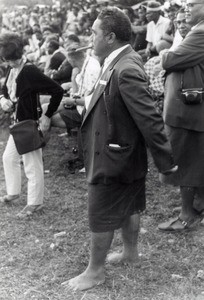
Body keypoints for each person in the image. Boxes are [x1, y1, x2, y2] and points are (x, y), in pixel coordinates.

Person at [64, 7, 177, 291]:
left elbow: (149, 118)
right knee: (130, 203)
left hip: (113, 155)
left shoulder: (125, 67)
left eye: (94, 33)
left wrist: (167, 164)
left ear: (110, 37)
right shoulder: (118, 60)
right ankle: (130, 253)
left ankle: (95, 271)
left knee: (100, 211)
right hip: (121, 152)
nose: (90, 38)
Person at [0, 32, 63, 218]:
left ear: (20, 53)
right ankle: (13, 192)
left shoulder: (29, 70)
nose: (9, 63)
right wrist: (4, 100)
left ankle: (35, 203)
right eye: (6, 60)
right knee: (8, 158)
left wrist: (47, 115)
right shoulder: (14, 70)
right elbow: (5, 90)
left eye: (12, 60)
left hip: (29, 124)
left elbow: (57, 90)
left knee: (32, 164)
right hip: (18, 124)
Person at [158, 0, 204, 231]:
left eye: (191, 4)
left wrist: (166, 51)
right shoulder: (195, 32)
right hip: (189, 109)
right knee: (194, 159)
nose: (186, 8)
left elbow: (169, 60)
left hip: (188, 111)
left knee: (186, 162)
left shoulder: (200, 32)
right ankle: (197, 205)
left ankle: (187, 215)